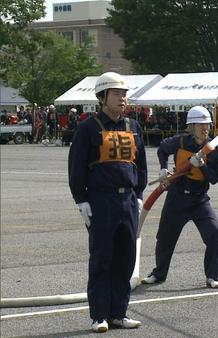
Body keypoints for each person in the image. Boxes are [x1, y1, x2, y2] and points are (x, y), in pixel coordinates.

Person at [68, 72, 147, 333]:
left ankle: (119, 313)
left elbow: (141, 164)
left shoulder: (133, 127)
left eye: (124, 94)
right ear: (102, 97)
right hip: (101, 201)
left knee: (125, 259)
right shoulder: (88, 129)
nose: (122, 98)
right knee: (102, 258)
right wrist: (81, 200)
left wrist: (138, 194)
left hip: (127, 201)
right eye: (116, 94)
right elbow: (76, 166)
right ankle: (99, 315)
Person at [142, 106, 218, 289]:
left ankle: (213, 276)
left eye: (207, 124)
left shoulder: (215, 149)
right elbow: (162, 149)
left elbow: (215, 179)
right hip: (176, 198)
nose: (205, 128)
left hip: (199, 199)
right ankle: (158, 274)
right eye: (200, 125)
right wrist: (163, 168)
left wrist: (202, 165)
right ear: (191, 126)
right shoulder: (179, 142)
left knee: (214, 233)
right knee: (164, 237)